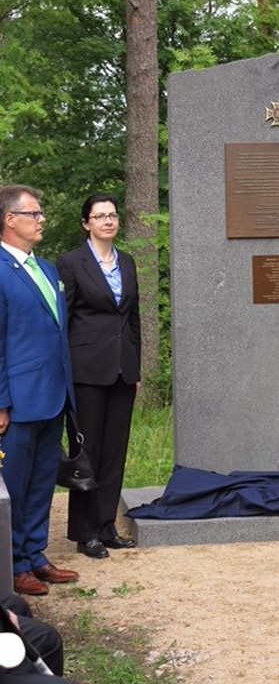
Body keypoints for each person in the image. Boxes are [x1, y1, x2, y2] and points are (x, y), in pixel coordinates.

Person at [0, 185, 79, 596]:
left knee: (43, 482)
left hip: (53, 395)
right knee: (13, 485)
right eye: (34, 213)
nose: (41, 219)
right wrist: (1, 401)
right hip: (18, 401)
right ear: (10, 219)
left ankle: (35, 555)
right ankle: (12, 566)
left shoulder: (46, 269)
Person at [56, 193, 141, 559]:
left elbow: (132, 318)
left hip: (123, 370)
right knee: (87, 452)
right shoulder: (71, 263)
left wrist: (136, 364)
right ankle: (85, 532)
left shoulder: (127, 261)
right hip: (87, 370)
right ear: (86, 223)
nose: (108, 221)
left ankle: (106, 526)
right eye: (99, 216)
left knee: (114, 452)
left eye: (112, 215)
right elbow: (64, 320)